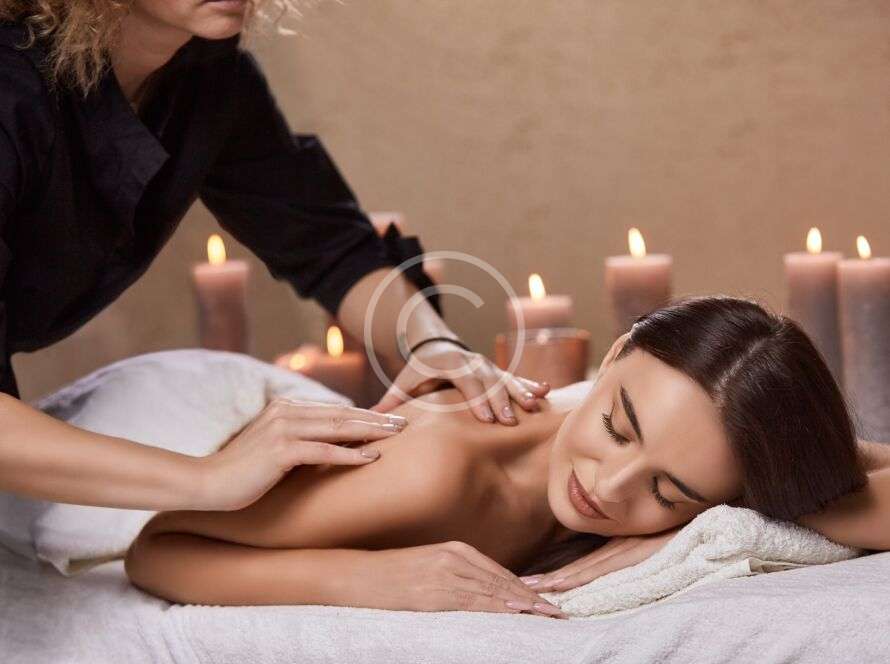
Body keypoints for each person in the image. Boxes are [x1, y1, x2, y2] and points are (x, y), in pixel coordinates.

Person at [0, 1, 547, 511]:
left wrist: (431, 344)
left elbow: (331, 248)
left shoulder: (209, 73)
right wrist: (209, 479)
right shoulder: (11, 86)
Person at [125, 295, 890, 617]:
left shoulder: (710, 440)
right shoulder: (435, 471)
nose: (608, 488)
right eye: (617, 428)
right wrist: (372, 578)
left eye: (668, 490)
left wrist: (699, 525)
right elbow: (159, 547)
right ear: (613, 354)